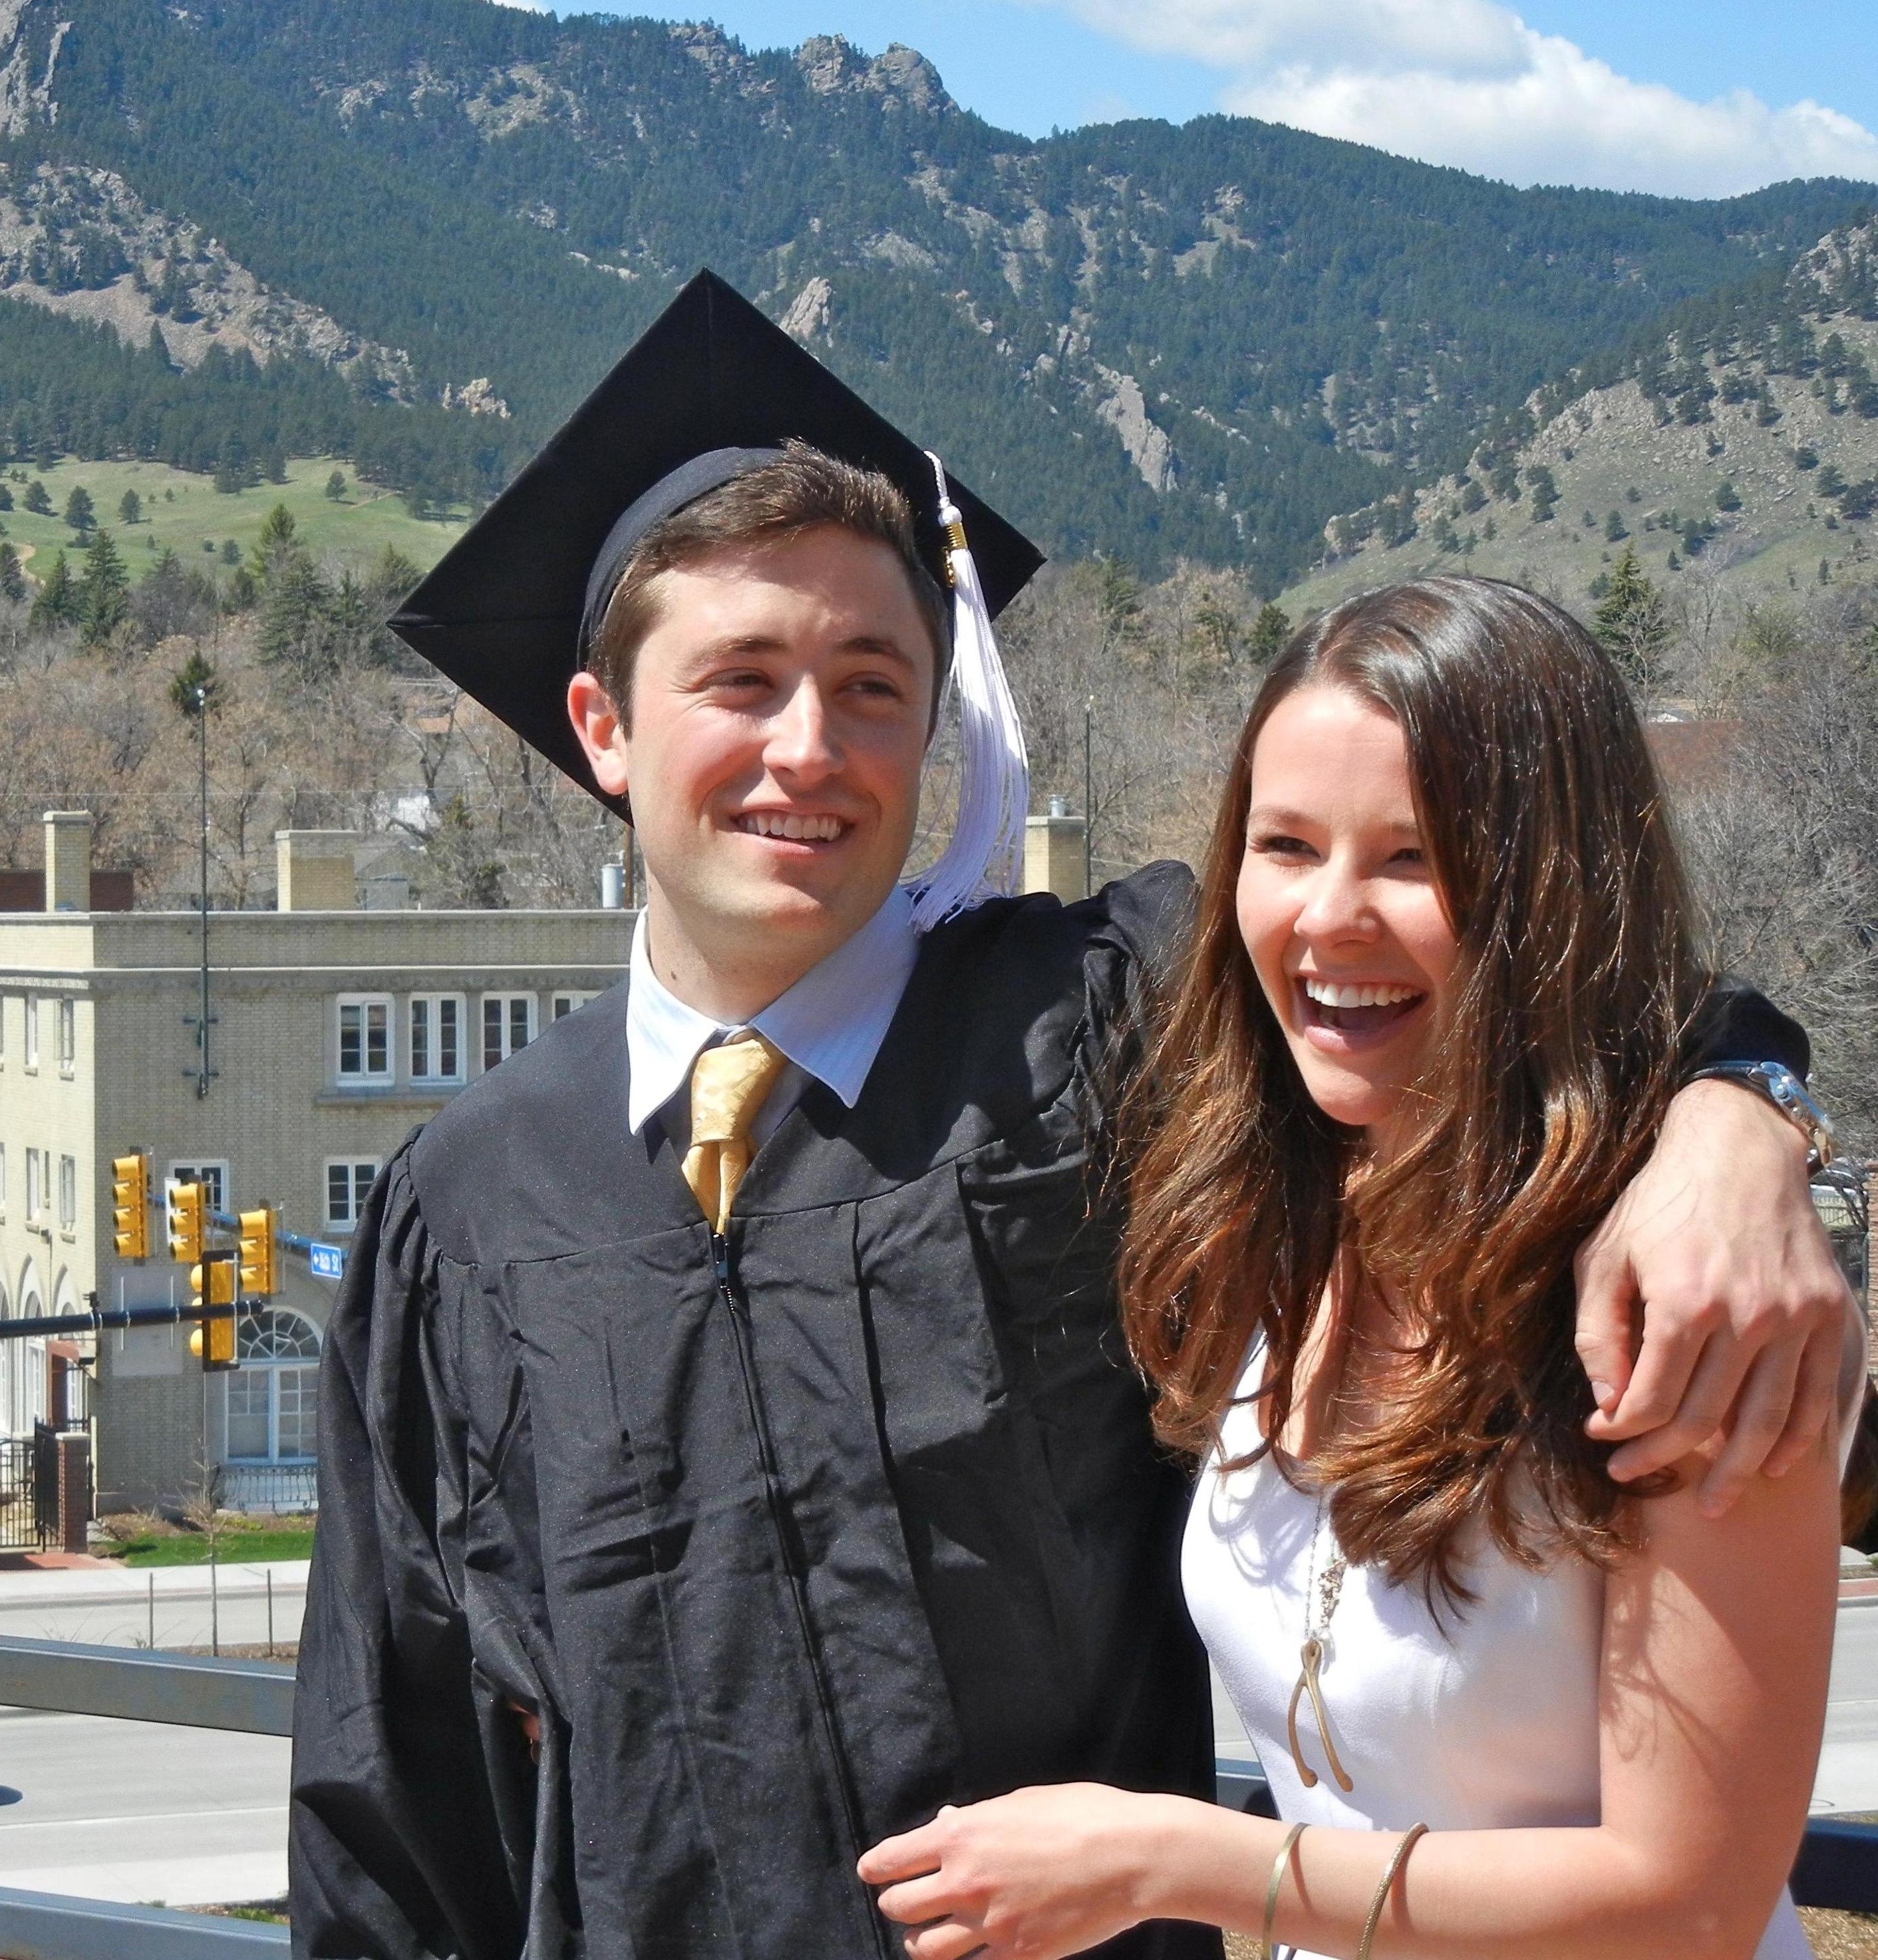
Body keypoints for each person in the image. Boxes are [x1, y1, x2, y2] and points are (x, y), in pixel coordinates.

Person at [290, 277, 1850, 1960]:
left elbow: (1524, 979)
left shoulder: (1108, 1026)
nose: (809, 749)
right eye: (741, 679)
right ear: (604, 729)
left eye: (874, 682)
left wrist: (1739, 1116)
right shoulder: (468, 1208)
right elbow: (397, 1765)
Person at [858, 578, 1865, 1960]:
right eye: (1286, 845)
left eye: (1414, 857)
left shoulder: (1682, 1301)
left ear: (1552, 891)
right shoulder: (1262, 1208)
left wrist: (1184, 1858)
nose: (1330, 917)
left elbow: (1687, 1896)